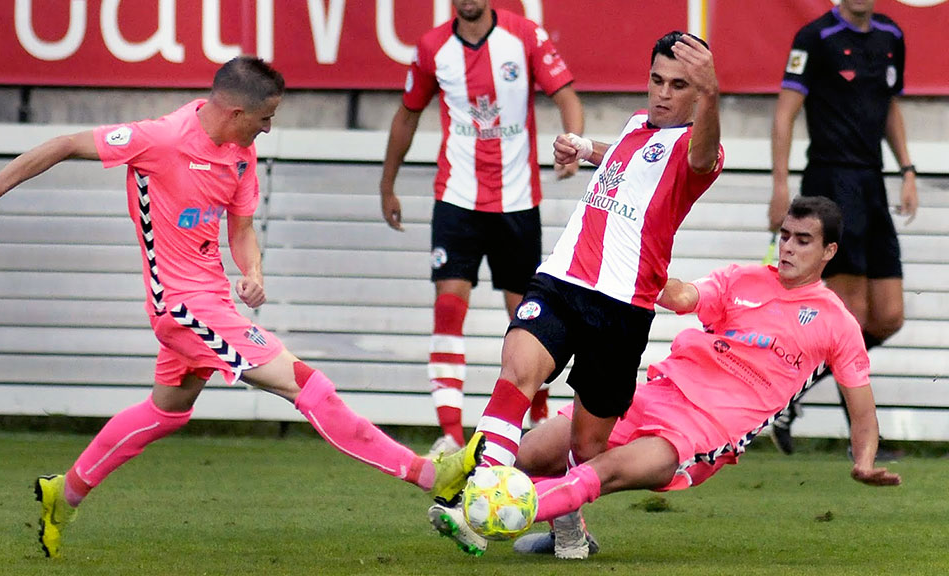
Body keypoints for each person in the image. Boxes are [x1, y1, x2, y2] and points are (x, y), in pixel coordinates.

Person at [0, 56, 485, 559]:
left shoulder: (240, 151)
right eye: (265, 118)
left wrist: (253, 272)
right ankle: (429, 475)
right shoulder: (158, 138)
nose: (268, 128)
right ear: (235, 111)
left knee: (165, 412)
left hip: (213, 301)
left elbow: (243, 227)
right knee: (309, 385)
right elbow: (67, 142)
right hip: (182, 307)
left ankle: (61, 496)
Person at [427, 30, 723, 556]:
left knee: (587, 445)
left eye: (679, 86)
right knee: (517, 371)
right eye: (656, 80)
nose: (662, 93)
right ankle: (475, 501)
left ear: (698, 94)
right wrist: (587, 149)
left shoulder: (703, 149)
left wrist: (714, 95)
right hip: (562, 279)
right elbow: (632, 159)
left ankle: (569, 530)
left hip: (621, 306)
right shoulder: (639, 125)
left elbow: (695, 159)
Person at [514, 196, 901, 560]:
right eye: (784, 236)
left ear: (828, 251)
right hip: (658, 393)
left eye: (803, 240)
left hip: (704, 430)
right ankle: (561, 526)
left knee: (598, 472)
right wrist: (633, 264)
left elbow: (863, 411)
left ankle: (484, 511)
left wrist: (863, 461)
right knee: (530, 452)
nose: (788, 248)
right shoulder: (742, 278)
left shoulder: (838, 323)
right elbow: (682, 296)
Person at [379, 0, 584, 455]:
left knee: (530, 323)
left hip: (517, 203)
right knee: (448, 309)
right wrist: (387, 183)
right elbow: (407, 113)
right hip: (457, 200)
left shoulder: (525, 36)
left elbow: (567, 96)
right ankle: (450, 436)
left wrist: (573, 144)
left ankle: (539, 424)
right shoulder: (432, 48)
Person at [768, 0, 916, 457]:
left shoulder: (891, 35)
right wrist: (779, 186)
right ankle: (863, 441)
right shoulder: (816, 37)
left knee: (888, 316)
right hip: (832, 182)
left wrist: (907, 168)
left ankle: (790, 393)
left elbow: (889, 106)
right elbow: (784, 114)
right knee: (849, 313)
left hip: (872, 181)